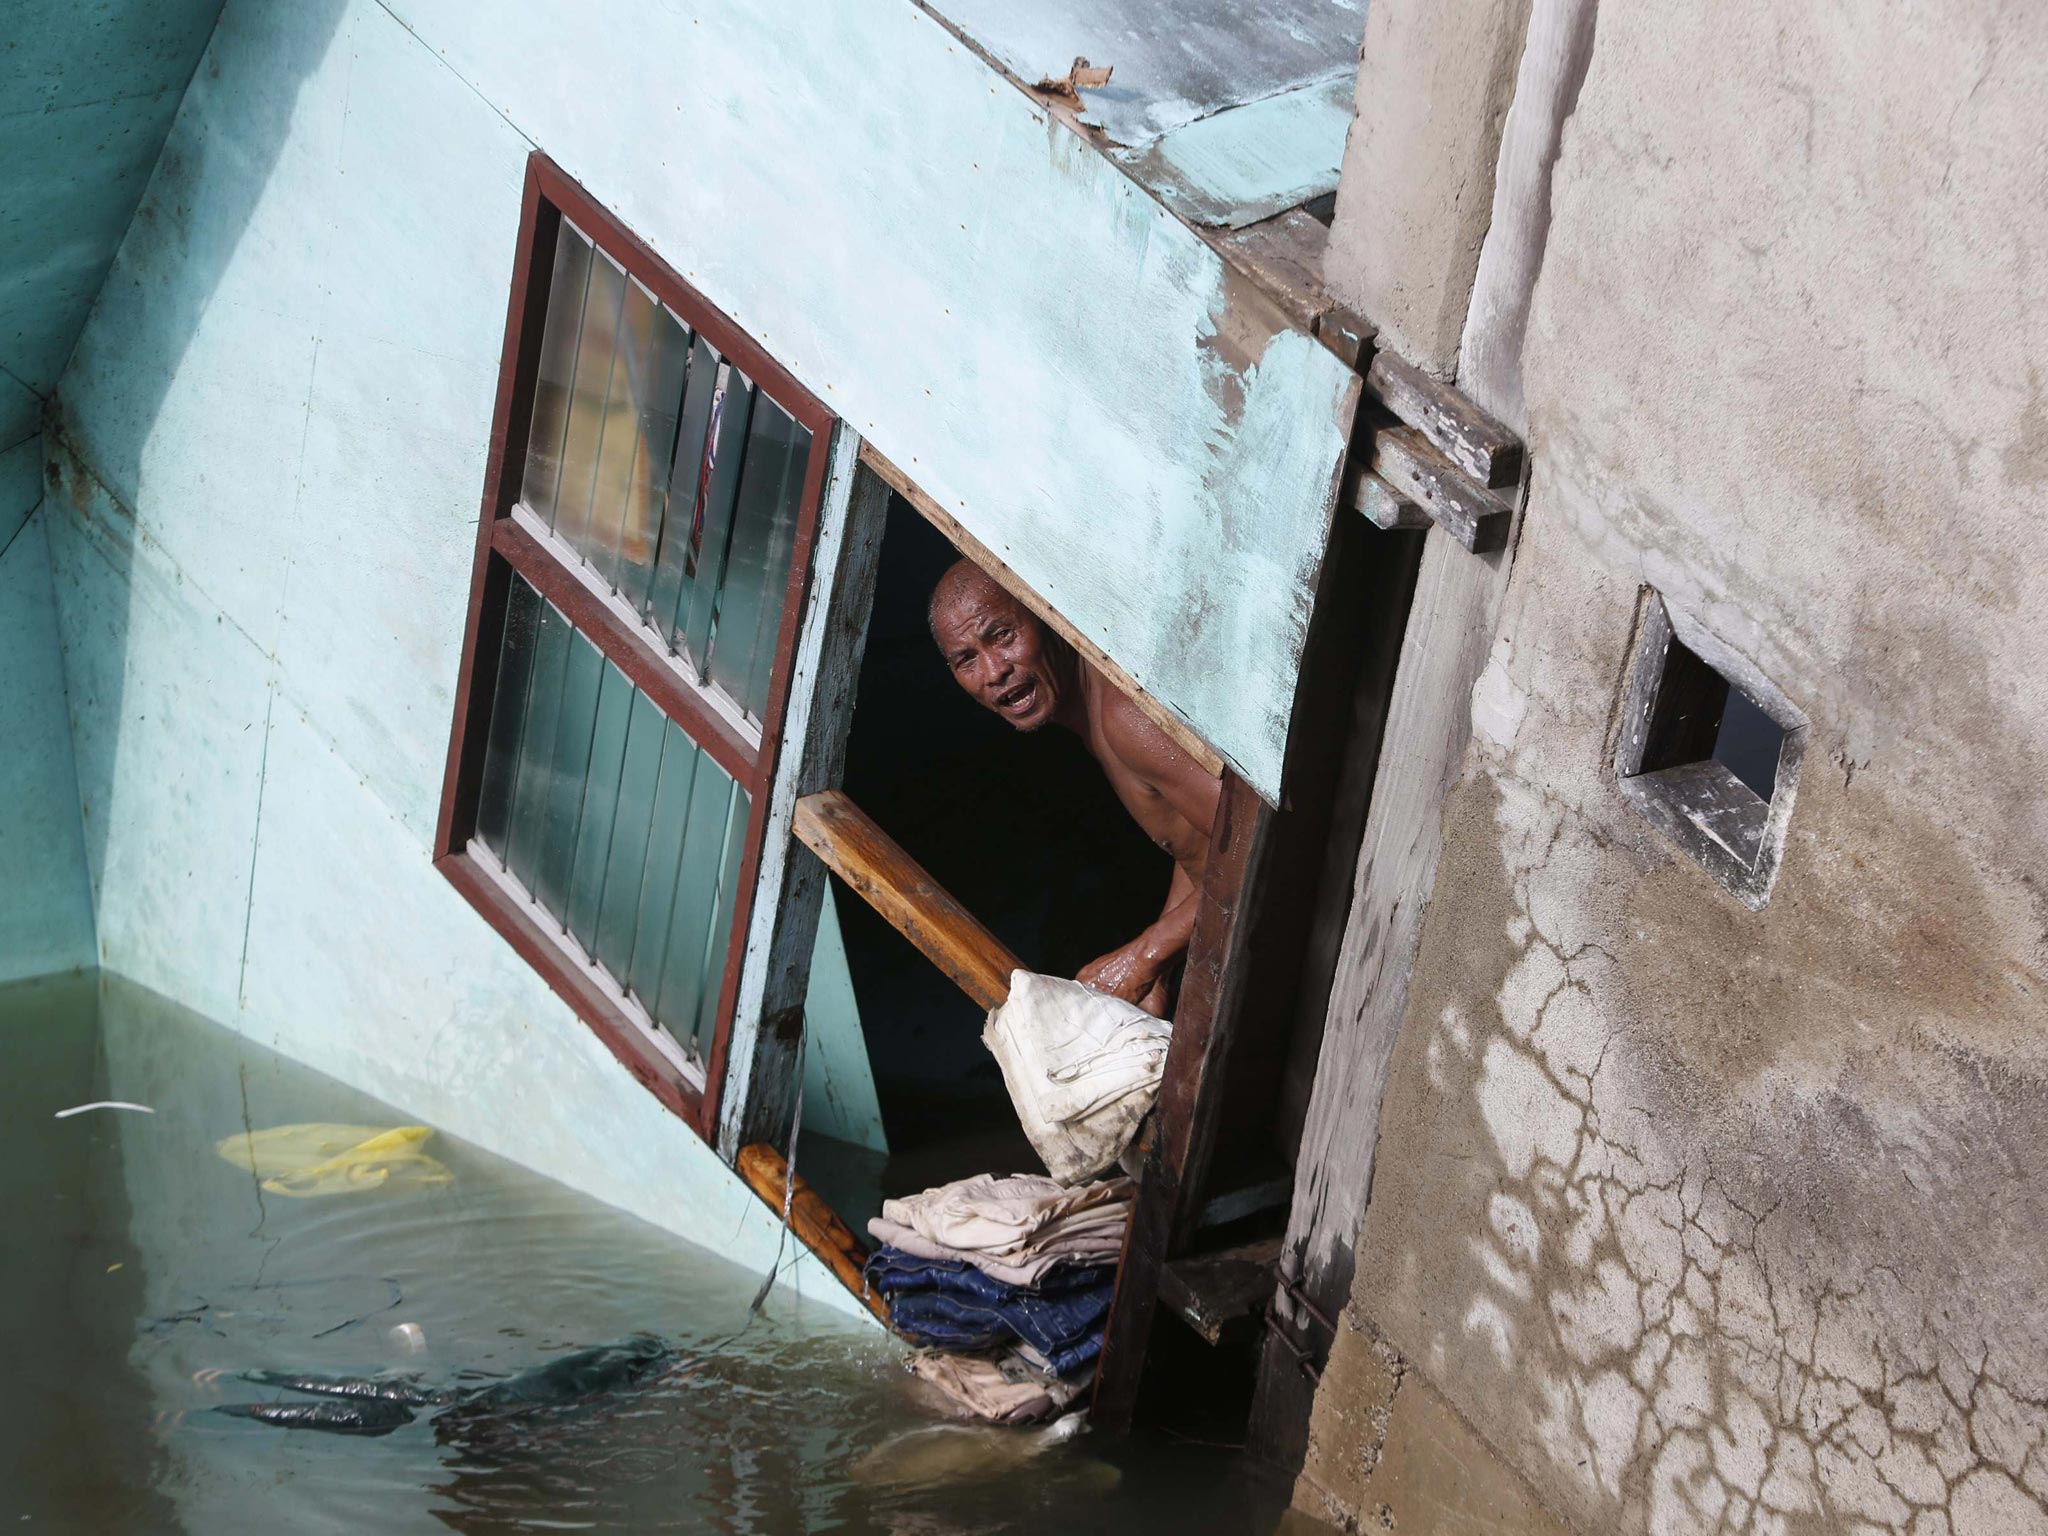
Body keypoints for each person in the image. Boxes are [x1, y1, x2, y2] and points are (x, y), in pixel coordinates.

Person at [928, 560, 1220, 1018]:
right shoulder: (1098, 723)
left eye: (1002, 635)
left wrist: (1147, 955)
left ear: (1045, 612)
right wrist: (1160, 968)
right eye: (966, 659)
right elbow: (1200, 845)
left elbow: (1259, 838)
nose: (993, 671)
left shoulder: (1125, 717)